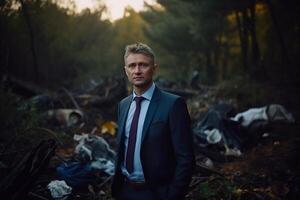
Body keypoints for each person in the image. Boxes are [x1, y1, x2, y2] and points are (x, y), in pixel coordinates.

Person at [111, 43, 195, 200]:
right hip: (125, 190)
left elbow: (186, 157)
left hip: (158, 192)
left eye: (143, 65)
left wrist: (173, 194)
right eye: (132, 65)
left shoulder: (173, 104)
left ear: (154, 68)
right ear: (126, 71)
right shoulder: (123, 105)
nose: (137, 71)